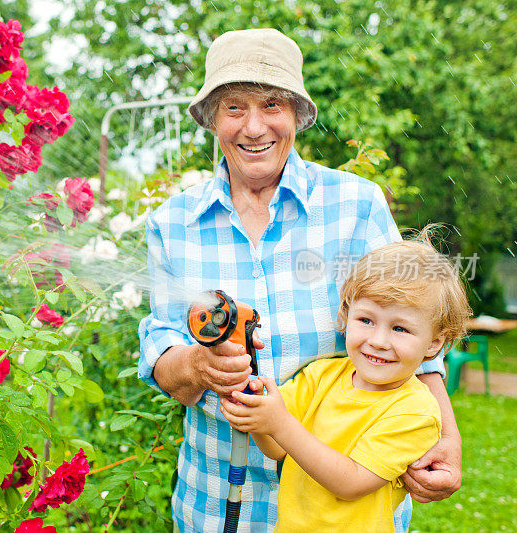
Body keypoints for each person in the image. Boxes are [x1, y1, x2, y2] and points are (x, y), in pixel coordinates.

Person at [137, 28, 462, 532]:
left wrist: (447, 434)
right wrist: (201, 365)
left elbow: (417, 324)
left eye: (271, 104)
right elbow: (162, 345)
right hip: (217, 500)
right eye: (233, 108)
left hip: (347, 511)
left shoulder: (356, 205)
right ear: (211, 121)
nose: (254, 127)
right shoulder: (171, 223)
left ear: (297, 116)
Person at [220, 238, 471, 531]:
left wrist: (278, 423)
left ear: (435, 343)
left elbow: (350, 482)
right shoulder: (321, 376)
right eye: (366, 320)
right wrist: (257, 410)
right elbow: (276, 447)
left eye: (400, 328)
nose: (377, 341)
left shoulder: (417, 412)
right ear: (346, 315)